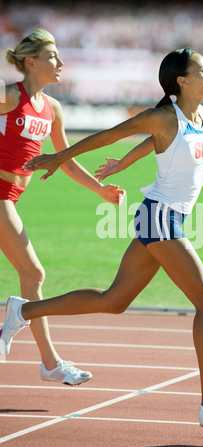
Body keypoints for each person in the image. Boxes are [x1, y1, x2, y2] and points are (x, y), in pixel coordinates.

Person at [0, 48, 203, 432]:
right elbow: (109, 135)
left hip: (172, 217)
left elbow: (160, 143)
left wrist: (127, 162)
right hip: (160, 217)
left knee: (114, 300)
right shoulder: (162, 115)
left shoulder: (197, 117)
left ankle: (22, 311)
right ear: (182, 81)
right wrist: (61, 156)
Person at [0, 29, 126, 385]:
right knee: (34, 274)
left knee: (32, 275)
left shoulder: (52, 108)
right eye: (53, 56)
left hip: (10, 196)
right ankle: (50, 363)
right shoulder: (9, 96)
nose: (61, 63)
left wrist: (99, 190)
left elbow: (65, 161)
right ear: (31, 61)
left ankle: (50, 364)